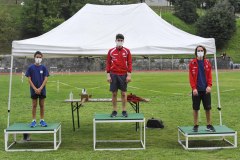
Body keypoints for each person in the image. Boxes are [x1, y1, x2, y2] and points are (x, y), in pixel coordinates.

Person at [189, 45, 215, 132]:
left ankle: (209, 125)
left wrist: (209, 86)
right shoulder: (192, 63)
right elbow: (191, 77)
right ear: (196, 52)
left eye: (201, 50)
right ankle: (195, 125)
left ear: (204, 51)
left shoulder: (207, 63)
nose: (200, 52)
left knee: (208, 108)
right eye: (198, 50)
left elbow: (210, 76)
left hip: (206, 90)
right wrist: (193, 88)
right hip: (196, 90)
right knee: (195, 108)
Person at [106, 33, 132, 117]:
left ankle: (124, 110)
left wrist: (129, 75)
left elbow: (130, 63)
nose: (119, 42)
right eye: (118, 40)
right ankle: (114, 110)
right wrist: (108, 75)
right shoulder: (111, 51)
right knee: (114, 93)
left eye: (121, 40)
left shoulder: (127, 51)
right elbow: (108, 63)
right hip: (113, 74)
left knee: (124, 93)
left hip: (123, 74)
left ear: (123, 41)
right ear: (115, 41)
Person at [25, 51, 49, 127]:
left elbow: (46, 79)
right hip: (33, 89)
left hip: (42, 89)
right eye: (37, 57)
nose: (38, 58)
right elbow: (29, 79)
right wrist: (35, 89)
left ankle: (42, 120)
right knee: (34, 105)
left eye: (40, 57)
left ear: (42, 58)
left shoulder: (44, 68)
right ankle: (34, 120)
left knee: (42, 105)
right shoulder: (30, 68)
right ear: (34, 57)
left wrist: (40, 88)